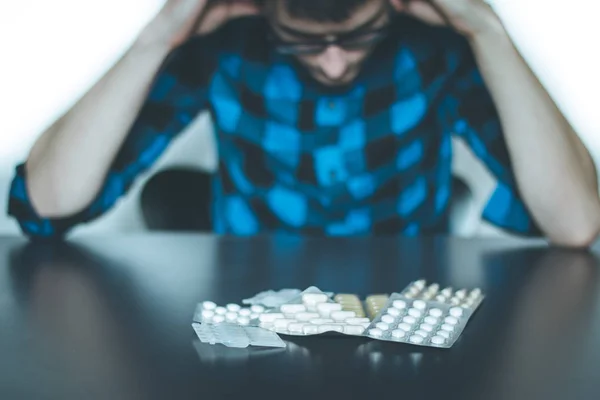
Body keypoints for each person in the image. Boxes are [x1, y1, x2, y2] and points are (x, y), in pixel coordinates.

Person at [7, 0, 600, 247]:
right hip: (252, 322)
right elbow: (49, 201)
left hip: (403, 329)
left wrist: (486, 28)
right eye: (303, 42)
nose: (336, 62)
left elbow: (576, 223)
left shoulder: (436, 51)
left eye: (360, 34)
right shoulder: (221, 48)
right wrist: (158, 36)